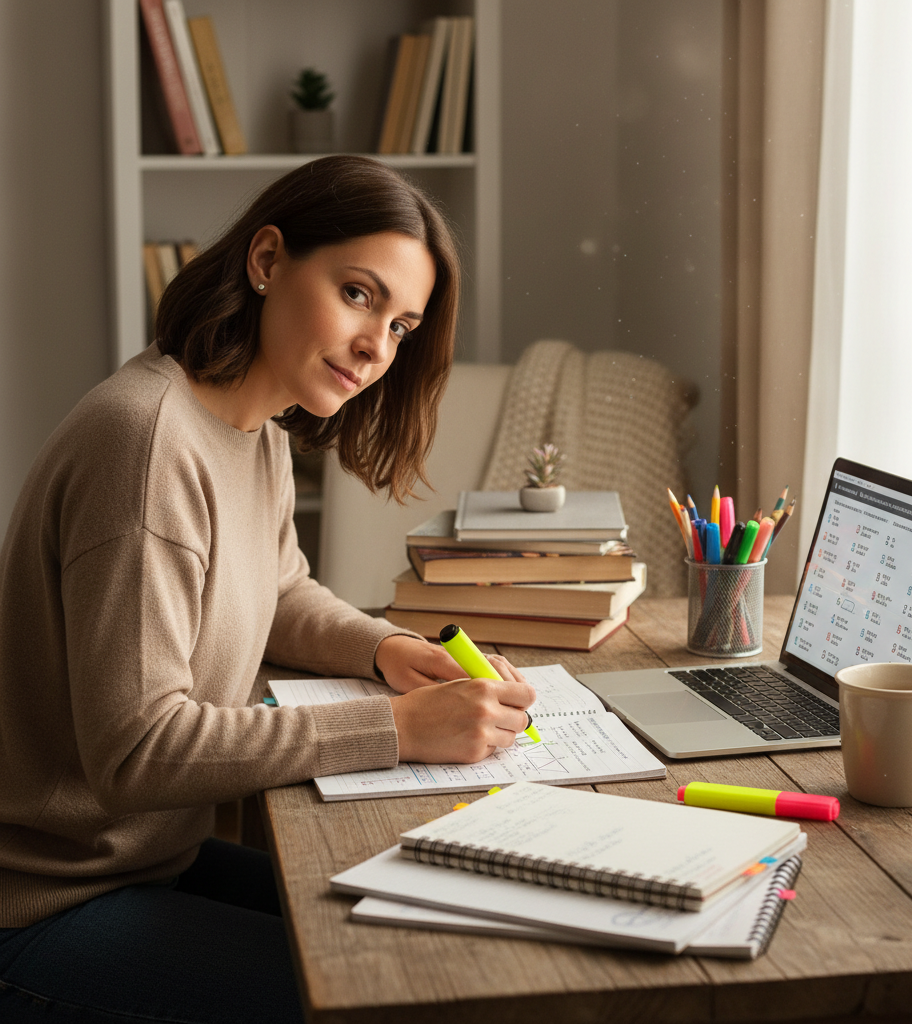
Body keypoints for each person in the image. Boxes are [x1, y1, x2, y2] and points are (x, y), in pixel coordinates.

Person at [0, 156, 536, 1023]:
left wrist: (389, 650)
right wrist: (393, 729)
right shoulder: (144, 447)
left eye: (402, 325)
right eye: (359, 294)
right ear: (267, 260)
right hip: (42, 903)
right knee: (385, 1000)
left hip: (147, 861)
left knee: (426, 945)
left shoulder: (252, 427)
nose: (376, 347)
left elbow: (279, 586)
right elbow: (136, 749)